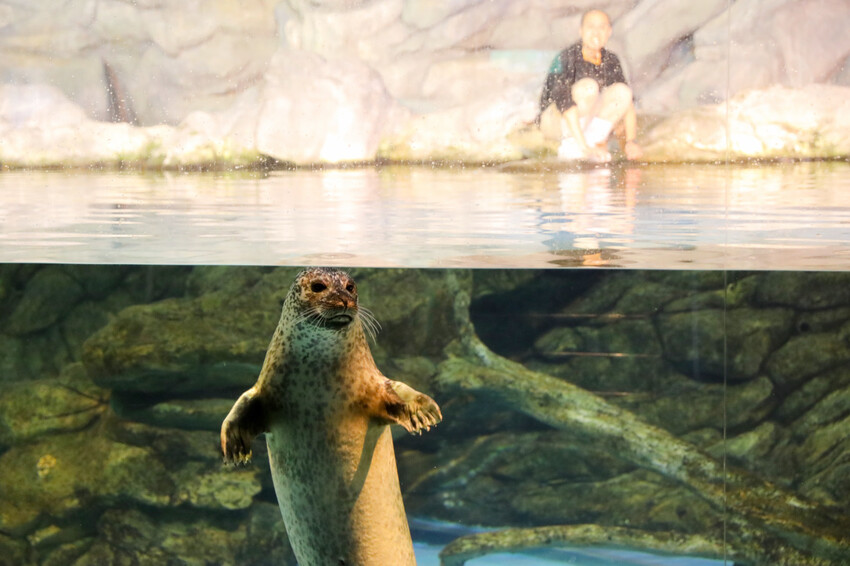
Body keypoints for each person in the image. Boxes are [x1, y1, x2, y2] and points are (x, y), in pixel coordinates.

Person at [538, 9, 642, 162]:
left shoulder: (611, 60)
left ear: (609, 32)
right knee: (589, 87)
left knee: (623, 91)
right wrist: (583, 147)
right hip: (555, 122)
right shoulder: (567, 57)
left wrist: (631, 141)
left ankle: (593, 141)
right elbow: (565, 103)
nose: (596, 33)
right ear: (581, 31)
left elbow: (628, 103)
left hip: (584, 123)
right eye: (591, 27)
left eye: (602, 27)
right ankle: (575, 146)